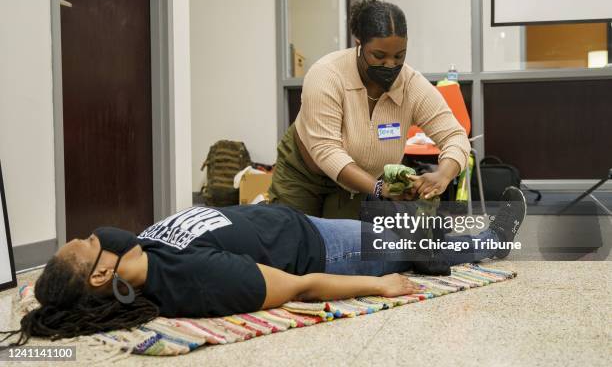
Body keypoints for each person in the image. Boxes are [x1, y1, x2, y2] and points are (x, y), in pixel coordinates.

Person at [0, 188, 526, 347]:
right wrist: (379, 285)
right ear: (100, 275)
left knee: (407, 232)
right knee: (406, 233)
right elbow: (296, 286)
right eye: (90, 241)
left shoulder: (137, 253)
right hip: (319, 249)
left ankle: (452, 246)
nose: (100, 232)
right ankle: (488, 240)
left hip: (289, 220)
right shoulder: (194, 281)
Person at [268, 0, 471, 219]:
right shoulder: (327, 75)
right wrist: (379, 188)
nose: (391, 65)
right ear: (359, 45)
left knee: (346, 247)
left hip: (356, 186)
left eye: (399, 56)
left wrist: (443, 174)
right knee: (294, 241)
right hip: (303, 176)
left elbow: (455, 135)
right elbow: (326, 151)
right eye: (379, 56)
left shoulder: (412, 85)